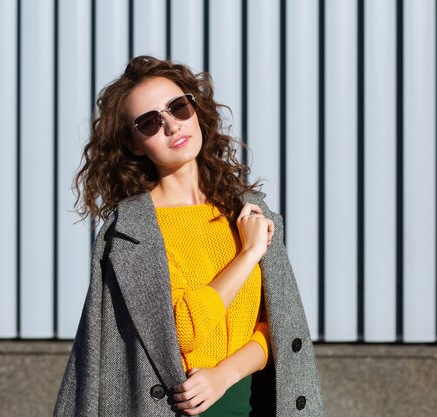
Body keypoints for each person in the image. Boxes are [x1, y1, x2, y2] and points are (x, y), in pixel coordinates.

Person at [54, 55, 325, 417]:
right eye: (150, 122)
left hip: (253, 404)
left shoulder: (247, 213)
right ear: (135, 144)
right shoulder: (133, 233)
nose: (171, 126)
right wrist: (248, 255)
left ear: (196, 111)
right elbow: (180, 331)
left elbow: (277, 326)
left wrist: (223, 375)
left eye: (178, 107)